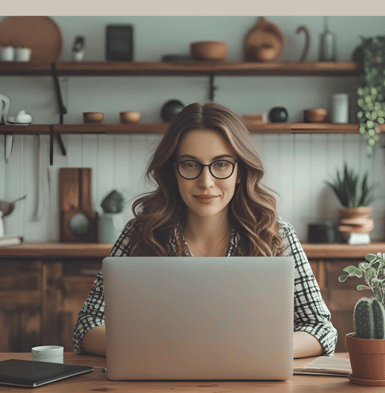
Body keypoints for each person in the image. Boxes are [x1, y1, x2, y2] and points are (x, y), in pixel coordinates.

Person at [73, 101, 337, 358]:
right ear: (172, 171)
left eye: (221, 164)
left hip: (251, 390)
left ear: (240, 171)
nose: (206, 182)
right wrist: (164, 351)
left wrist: (255, 351)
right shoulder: (140, 233)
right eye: (190, 164)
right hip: (157, 390)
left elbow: (321, 329)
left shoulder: (275, 234)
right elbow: (87, 325)